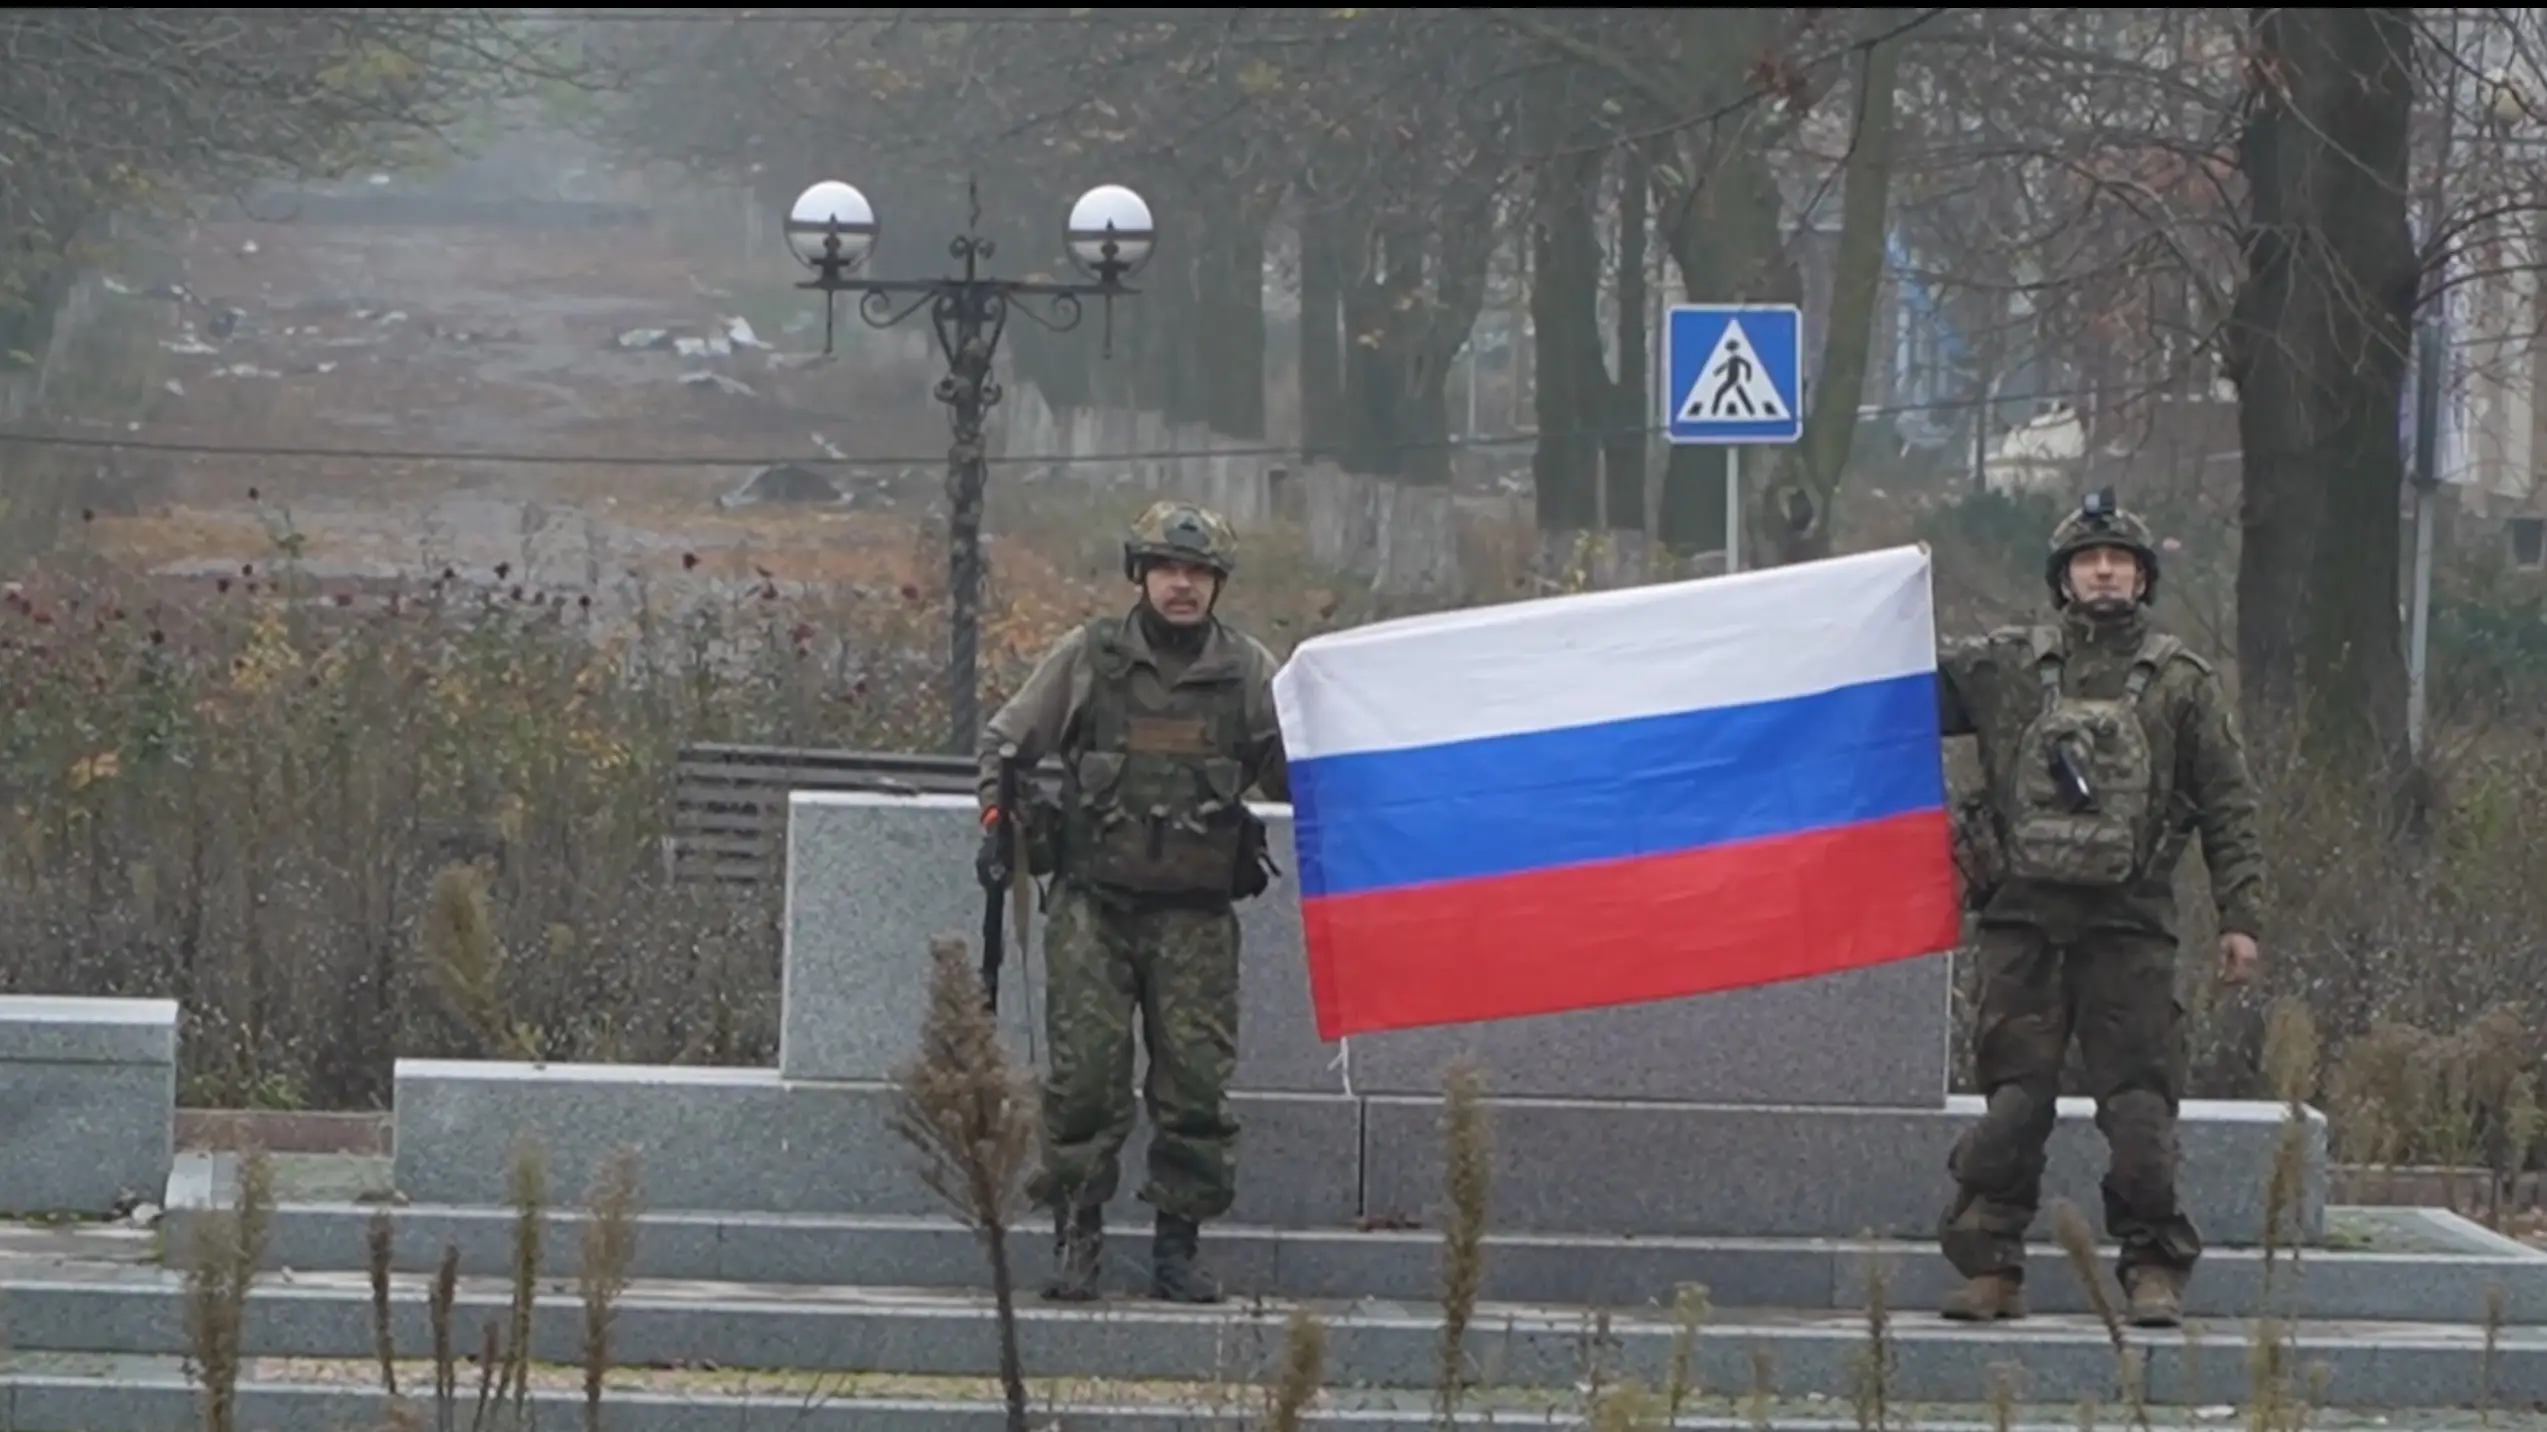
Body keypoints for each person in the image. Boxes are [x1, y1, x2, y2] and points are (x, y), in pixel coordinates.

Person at [1933, 486, 2267, 1329]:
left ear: (2143, 577)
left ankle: (2153, 1265)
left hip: (2131, 927)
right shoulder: (2000, 666)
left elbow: (2228, 803)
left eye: (2120, 560)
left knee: (2140, 1109)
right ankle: (1988, 1267)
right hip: (2022, 923)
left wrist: (2240, 915)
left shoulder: (2181, 684)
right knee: (2012, 1103)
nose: (2105, 571)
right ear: (2063, 577)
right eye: (2089, 560)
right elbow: (1896, 698)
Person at [973, 499, 1289, 1304]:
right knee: (1084, 1085)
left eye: (1197, 574)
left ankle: (1176, 1250)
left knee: (1194, 1090)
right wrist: (995, 820)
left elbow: (1296, 772)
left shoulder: (1248, 672)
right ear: (1139, 576)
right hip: (1094, 911)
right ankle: (1077, 1239)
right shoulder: (1089, 658)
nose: (1181, 587)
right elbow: (1007, 743)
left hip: (1196, 918)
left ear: (1217, 585)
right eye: (1166, 570)